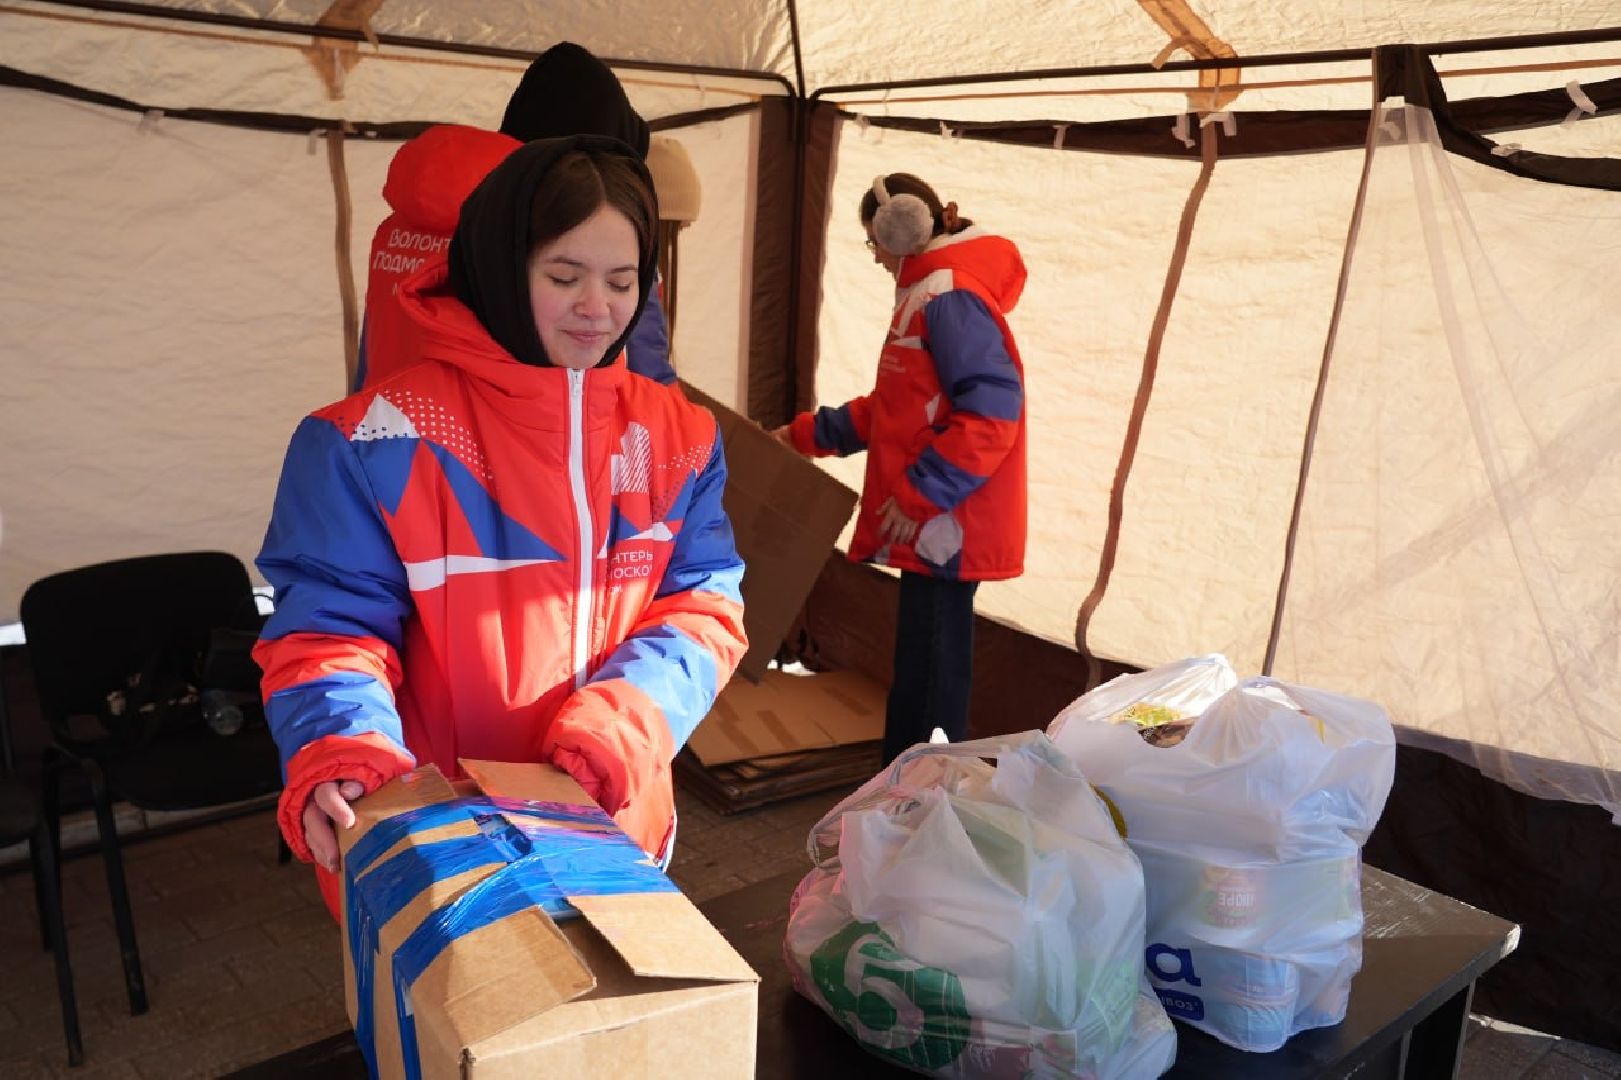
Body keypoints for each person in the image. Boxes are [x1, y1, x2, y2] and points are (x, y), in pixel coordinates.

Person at [256, 135, 746, 913]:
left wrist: (617, 731)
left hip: (615, 829)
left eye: (623, 282)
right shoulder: (373, 439)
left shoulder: (679, 435)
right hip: (441, 849)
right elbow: (329, 628)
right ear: (496, 266)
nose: (598, 309)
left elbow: (705, 603)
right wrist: (341, 746)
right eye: (563, 276)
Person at [774, 172, 1027, 765]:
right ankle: (904, 793)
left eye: (874, 244)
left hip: (944, 523)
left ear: (897, 232)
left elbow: (992, 414)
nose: (877, 258)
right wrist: (806, 436)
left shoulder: (949, 297)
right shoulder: (930, 293)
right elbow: (895, 408)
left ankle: (922, 801)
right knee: (921, 666)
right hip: (934, 519)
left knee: (933, 675)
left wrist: (919, 494)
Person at [355, 41, 678, 390]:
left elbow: (372, 351)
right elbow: (650, 376)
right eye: (563, 277)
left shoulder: (405, 222)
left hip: (386, 426)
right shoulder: (576, 230)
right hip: (499, 437)